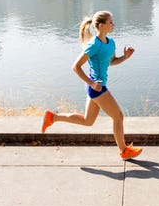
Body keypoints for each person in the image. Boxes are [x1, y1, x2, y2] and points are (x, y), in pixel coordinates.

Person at [41, 10, 143, 160]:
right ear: (101, 26)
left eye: (112, 21)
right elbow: (76, 67)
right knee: (118, 116)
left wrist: (125, 57)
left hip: (96, 87)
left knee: (88, 121)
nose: (113, 24)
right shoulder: (94, 45)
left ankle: (52, 117)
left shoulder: (111, 42)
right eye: (110, 22)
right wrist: (91, 83)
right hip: (97, 88)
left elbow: (111, 62)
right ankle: (124, 151)